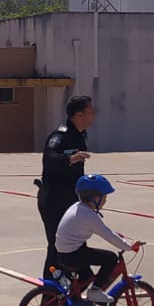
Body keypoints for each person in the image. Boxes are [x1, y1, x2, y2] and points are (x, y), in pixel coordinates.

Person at [53, 174, 141, 304]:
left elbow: (97, 229)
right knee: (110, 258)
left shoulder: (78, 207)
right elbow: (108, 236)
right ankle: (95, 292)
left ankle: (71, 303)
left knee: (87, 276)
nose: (106, 200)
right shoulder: (89, 216)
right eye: (104, 197)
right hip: (73, 253)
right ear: (95, 198)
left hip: (64, 252)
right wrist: (129, 246)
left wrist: (114, 234)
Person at [35, 95, 95, 276]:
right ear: (78, 115)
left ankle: (72, 291)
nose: (93, 115)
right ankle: (48, 296)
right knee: (56, 247)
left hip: (70, 201)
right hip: (53, 201)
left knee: (74, 246)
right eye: (90, 112)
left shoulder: (80, 136)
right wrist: (68, 159)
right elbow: (49, 158)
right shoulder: (60, 136)